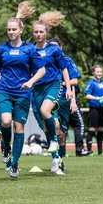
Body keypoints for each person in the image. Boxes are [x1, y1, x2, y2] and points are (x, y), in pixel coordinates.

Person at [0, 1, 46, 178]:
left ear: (21, 30)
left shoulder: (29, 49)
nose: (11, 32)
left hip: (23, 94)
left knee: (19, 128)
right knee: (5, 122)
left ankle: (15, 164)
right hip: (4, 91)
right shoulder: (2, 48)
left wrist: (30, 82)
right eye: (8, 29)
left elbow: (42, 70)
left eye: (13, 29)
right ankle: (6, 148)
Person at [31, 12, 72, 175]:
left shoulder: (54, 49)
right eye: (36, 32)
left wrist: (68, 88)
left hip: (53, 85)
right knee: (49, 127)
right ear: (33, 33)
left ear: (46, 32)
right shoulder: (30, 50)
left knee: (45, 111)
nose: (39, 34)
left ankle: (54, 143)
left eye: (41, 32)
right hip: (37, 89)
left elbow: (64, 69)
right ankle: (56, 158)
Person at [49, 38, 87, 158]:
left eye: (56, 46)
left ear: (61, 47)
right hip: (50, 99)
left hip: (65, 100)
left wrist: (62, 84)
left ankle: (63, 156)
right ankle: (57, 156)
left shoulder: (67, 61)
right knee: (54, 127)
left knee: (62, 132)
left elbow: (74, 81)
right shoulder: (46, 61)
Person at [84, 64, 103, 156]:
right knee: (92, 129)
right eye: (97, 72)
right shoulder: (91, 83)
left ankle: (100, 152)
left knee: (101, 129)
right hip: (94, 109)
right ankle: (89, 151)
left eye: (100, 72)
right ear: (93, 72)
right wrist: (97, 99)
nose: (99, 73)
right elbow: (87, 95)